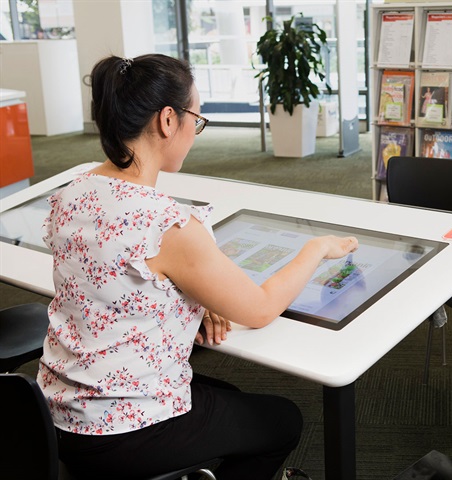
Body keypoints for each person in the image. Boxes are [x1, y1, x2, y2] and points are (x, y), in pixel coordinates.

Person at [37, 53, 358, 480]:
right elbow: (260, 308)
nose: (195, 131)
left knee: (225, 394)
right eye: (197, 119)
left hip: (55, 411)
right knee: (282, 421)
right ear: (168, 121)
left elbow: (115, 281)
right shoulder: (165, 223)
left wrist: (188, 299)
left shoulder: (73, 193)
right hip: (121, 429)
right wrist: (315, 249)